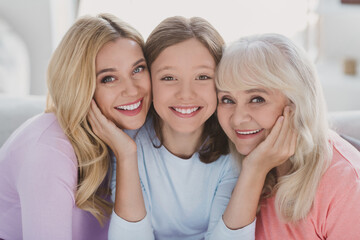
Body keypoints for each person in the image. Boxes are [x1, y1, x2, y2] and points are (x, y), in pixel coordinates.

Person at [0, 13, 151, 240]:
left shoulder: (135, 132)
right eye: (108, 78)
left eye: (138, 69)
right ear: (81, 86)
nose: (132, 90)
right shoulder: (49, 150)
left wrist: (126, 154)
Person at [215, 33, 360, 239]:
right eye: (227, 99)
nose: (237, 119)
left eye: (257, 99)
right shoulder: (229, 165)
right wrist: (254, 171)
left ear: (296, 104)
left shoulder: (346, 184)